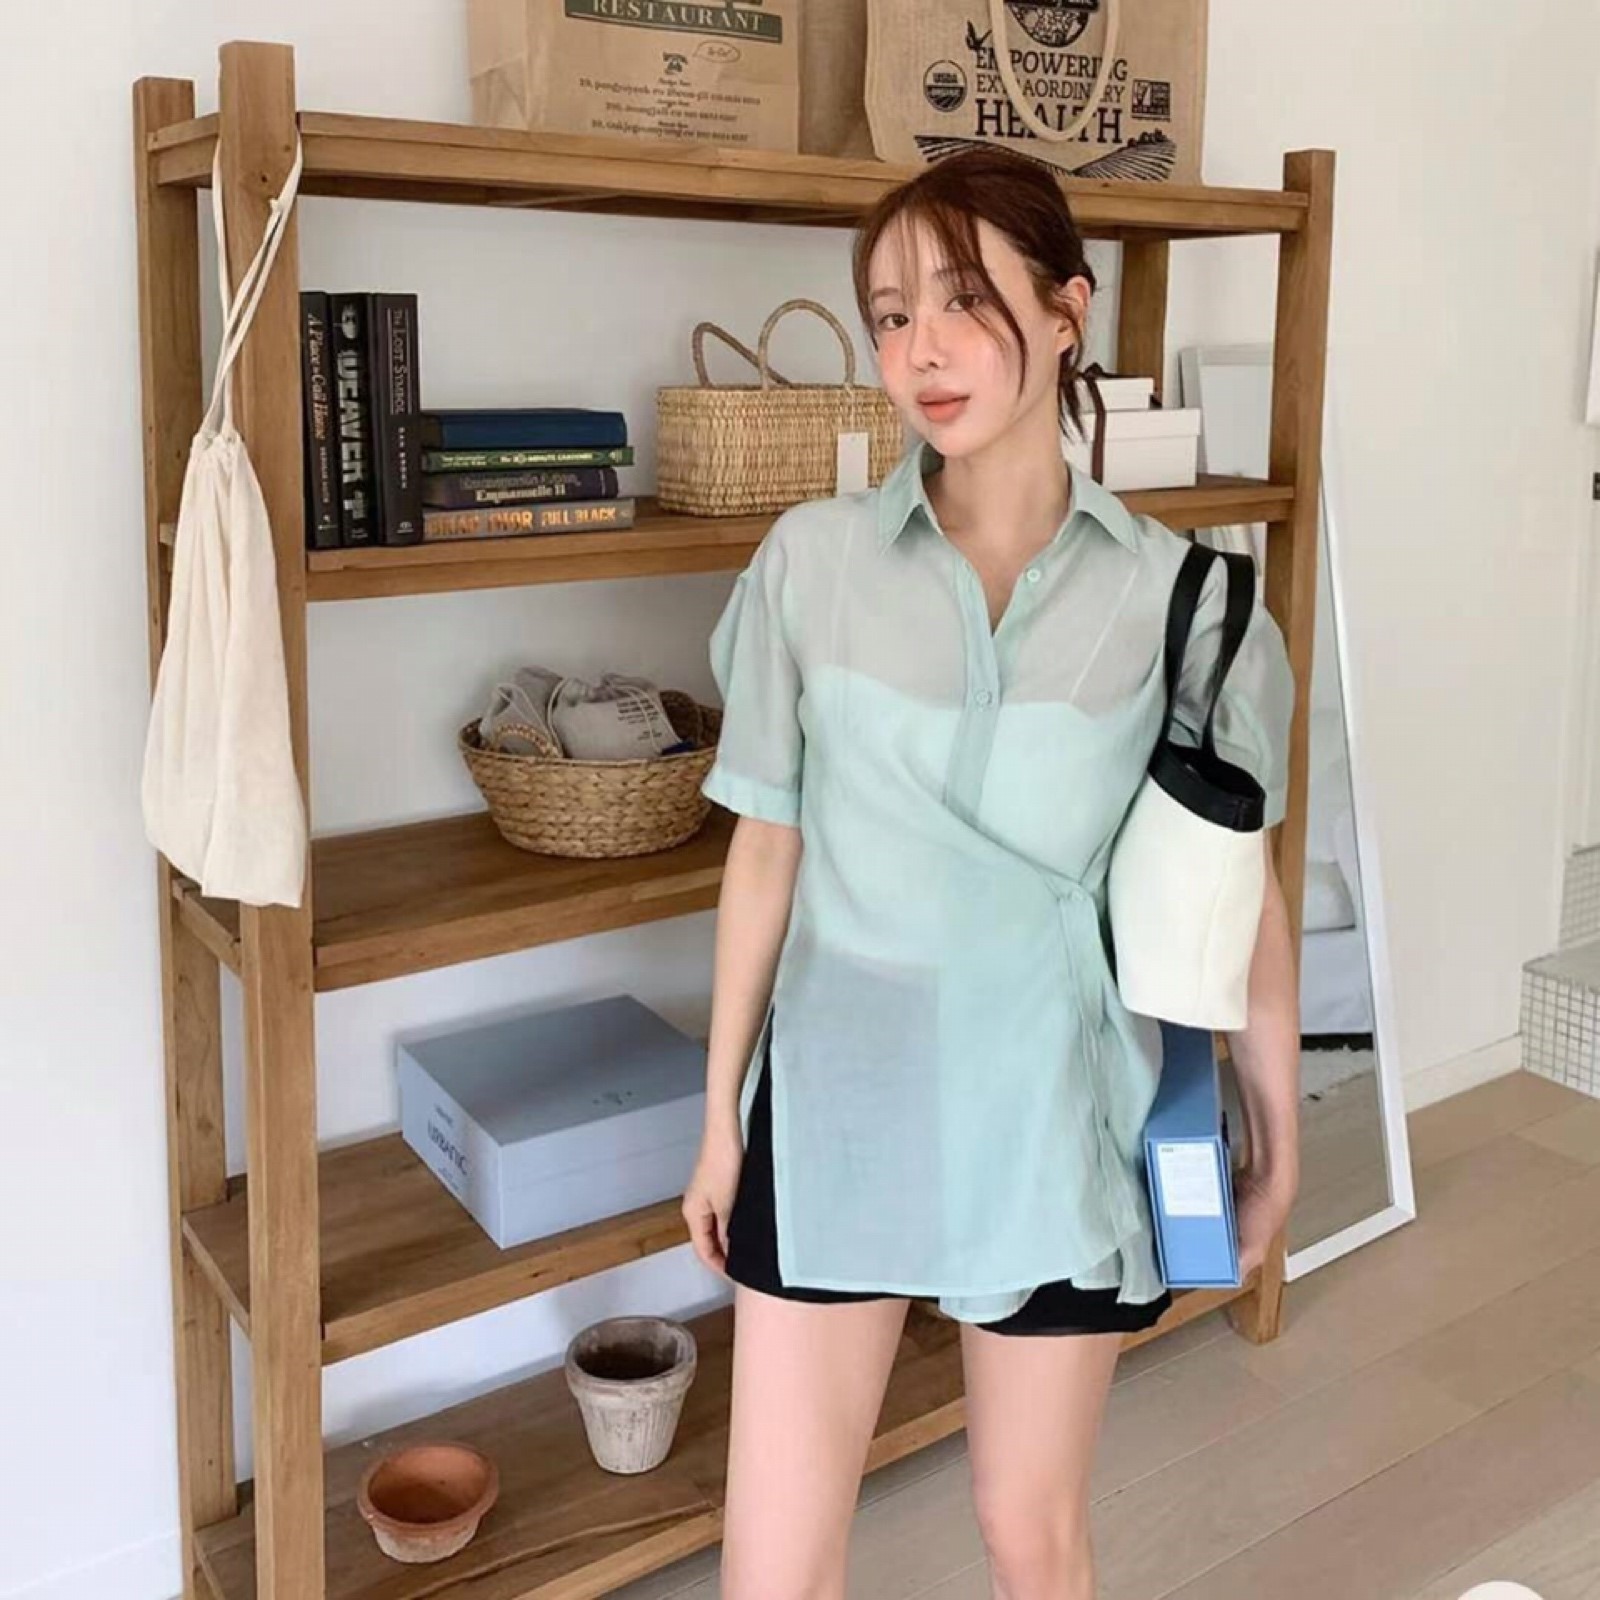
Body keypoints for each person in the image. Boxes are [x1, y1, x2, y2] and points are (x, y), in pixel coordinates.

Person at [682, 144, 1302, 1600]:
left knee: (1032, 1536)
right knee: (773, 1569)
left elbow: (1238, 891)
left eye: (965, 300)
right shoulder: (810, 563)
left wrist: (1275, 1128)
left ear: (1069, 310)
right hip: (835, 1103)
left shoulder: (1185, 600)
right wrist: (718, 1122)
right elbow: (765, 846)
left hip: (1056, 1113)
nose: (921, 350)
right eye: (892, 315)